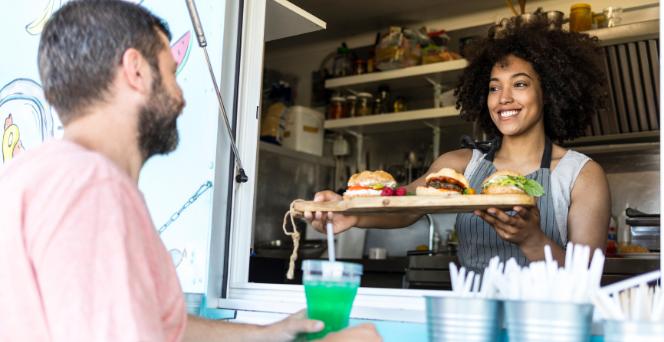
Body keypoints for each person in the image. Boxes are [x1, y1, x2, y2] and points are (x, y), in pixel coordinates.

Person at [0, 1, 381, 341]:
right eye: (171, 73)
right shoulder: (93, 188)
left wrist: (268, 334)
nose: (181, 96)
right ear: (135, 70)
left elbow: (164, 327)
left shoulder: (28, 176)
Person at [306, 16, 611, 273]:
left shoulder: (581, 175)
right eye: (494, 87)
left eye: (519, 84)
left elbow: (585, 277)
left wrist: (532, 240)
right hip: (470, 320)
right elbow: (404, 206)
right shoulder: (460, 165)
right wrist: (353, 213)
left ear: (550, 92)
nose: (504, 98)